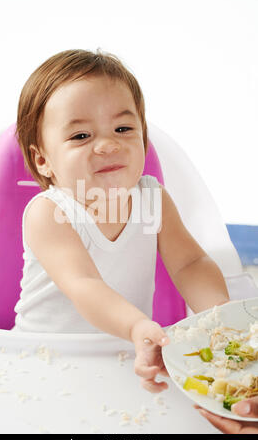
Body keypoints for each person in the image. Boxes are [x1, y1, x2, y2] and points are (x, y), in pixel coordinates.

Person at [13, 48, 230, 393]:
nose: (108, 144)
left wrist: (219, 315)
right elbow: (83, 284)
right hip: (41, 360)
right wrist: (136, 327)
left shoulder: (152, 199)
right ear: (43, 161)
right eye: (81, 136)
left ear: (142, 136)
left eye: (123, 127)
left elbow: (190, 262)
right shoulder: (49, 213)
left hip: (125, 355)